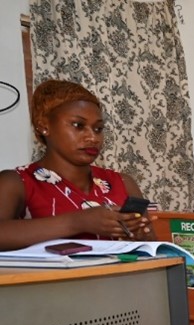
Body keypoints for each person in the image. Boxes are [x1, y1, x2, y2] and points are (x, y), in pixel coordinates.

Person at [0, 79, 153, 250]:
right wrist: (79, 222)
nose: (93, 138)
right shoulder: (16, 182)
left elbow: (152, 247)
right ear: (44, 126)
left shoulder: (123, 183)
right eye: (78, 125)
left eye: (98, 129)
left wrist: (141, 236)